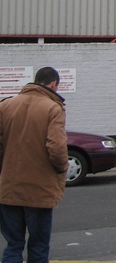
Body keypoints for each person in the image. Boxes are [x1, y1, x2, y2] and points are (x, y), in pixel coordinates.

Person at [0, 67, 68, 263]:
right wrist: (62, 168)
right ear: (54, 84)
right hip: (39, 190)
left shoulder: (6, 106)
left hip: (9, 188)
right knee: (38, 247)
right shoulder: (53, 108)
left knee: (13, 245)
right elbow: (56, 147)